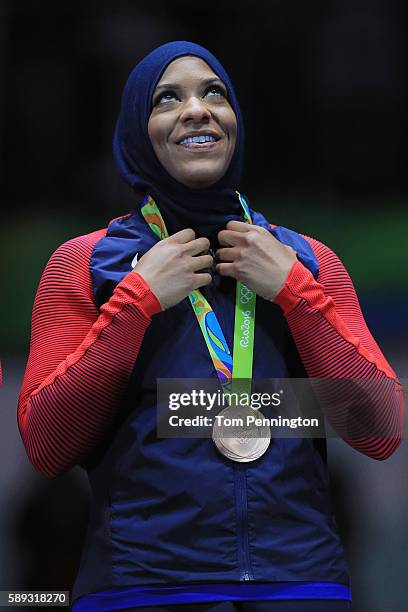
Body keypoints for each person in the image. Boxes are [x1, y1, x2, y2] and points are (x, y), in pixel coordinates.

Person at [17, 41, 404, 611]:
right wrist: (136, 302)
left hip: (301, 582)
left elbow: (379, 428)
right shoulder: (83, 263)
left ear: (235, 123)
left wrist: (296, 295)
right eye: (167, 99)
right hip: (143, 586)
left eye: (213, 93)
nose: (197, 109)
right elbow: (49, 445)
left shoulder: (308, 261)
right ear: (133, 131)